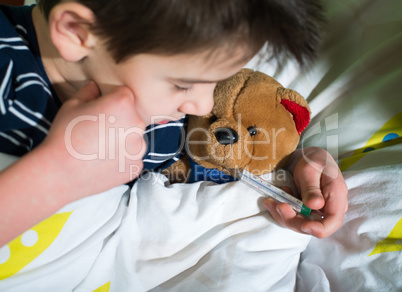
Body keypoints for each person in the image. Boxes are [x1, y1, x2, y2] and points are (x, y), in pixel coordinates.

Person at [0, 0, 347, 248]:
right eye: (183, 83)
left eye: (216, 82)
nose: (203, 104)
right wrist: (59, 175)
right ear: (77, 32)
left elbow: (209, 162)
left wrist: (292, 163)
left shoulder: (163, 121)